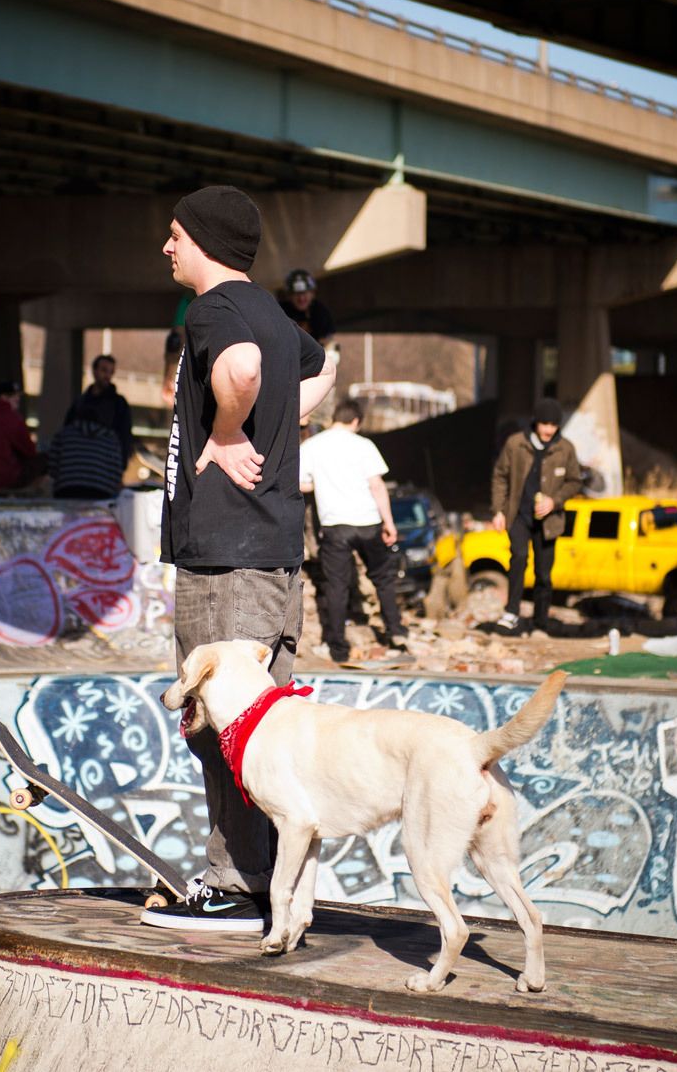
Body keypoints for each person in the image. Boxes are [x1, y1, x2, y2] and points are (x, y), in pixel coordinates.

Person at [142, 185, 337, 933]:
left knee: (220, 725)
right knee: (262, 726)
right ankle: (270, 882)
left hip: (227, 559)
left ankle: (235, 880)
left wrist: (228, 429)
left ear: (206, 242)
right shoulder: (278, 318)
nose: (167, 248)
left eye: (175, 236)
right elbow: (325, 368)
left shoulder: (218, 311)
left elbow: (245, 369)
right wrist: (288, 419)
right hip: (274, 556)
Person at [299, 399, 406, 663]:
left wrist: (324, 485)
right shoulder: (364, 445)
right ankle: (395, 633)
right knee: (382, 578)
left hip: (335, 525)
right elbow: (377, 486)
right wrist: (389, 523)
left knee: (336, 586)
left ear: (335, 417)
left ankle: (337, 646)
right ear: (356, 421)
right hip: (368, 522)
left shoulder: (312, 446)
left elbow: (301, 484)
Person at [490, 398, 586, 635]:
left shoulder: (565, 449)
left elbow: (574, 481)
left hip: (549, 522)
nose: (548, 430)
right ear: (535, 423)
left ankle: (540, 621)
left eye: (553, 425)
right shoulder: (516, 444)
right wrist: (498, 511)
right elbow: (500, 476)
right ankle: (511, 612)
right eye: (544, 424)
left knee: (543, 573)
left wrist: (555, 502)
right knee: (519, 558)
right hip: (519, 515)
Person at [66, 353, 135, 467]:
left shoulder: (119, 404)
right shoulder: (80, 402)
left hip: (103, 464)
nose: (107, 375)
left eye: (111, 372)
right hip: (81, 462)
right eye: (104, 370)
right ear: (94, 371)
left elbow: (124, 437)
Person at [49, 405, 126, 499]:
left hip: (66, 489)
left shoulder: (64, 433)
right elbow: (116, 472)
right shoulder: (110, 437)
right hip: (101, 491)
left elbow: (52, 467)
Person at [279, 269, 336, 345]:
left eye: (304, 293)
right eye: (297, 294)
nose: (301, 298)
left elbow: (329, 338)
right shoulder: (281, 312)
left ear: (312, 294)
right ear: (289, 296)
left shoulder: (320, 311)